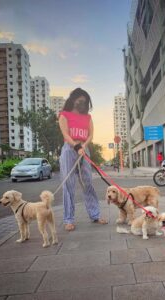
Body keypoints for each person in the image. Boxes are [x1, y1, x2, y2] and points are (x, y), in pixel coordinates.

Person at [58, 87, 107, 231]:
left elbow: (91, 135)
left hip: (84, 149)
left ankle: (95, 215)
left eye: (84, 102)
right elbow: (66, 135)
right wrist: (76, 146)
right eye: (80, 101)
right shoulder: (64, 115)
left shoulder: (88, 117)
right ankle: (68, 219)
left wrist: (84, 146)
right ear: (73, 100)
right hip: (69, 149)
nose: (82, 104)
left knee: (88, 183)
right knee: (68, 185)